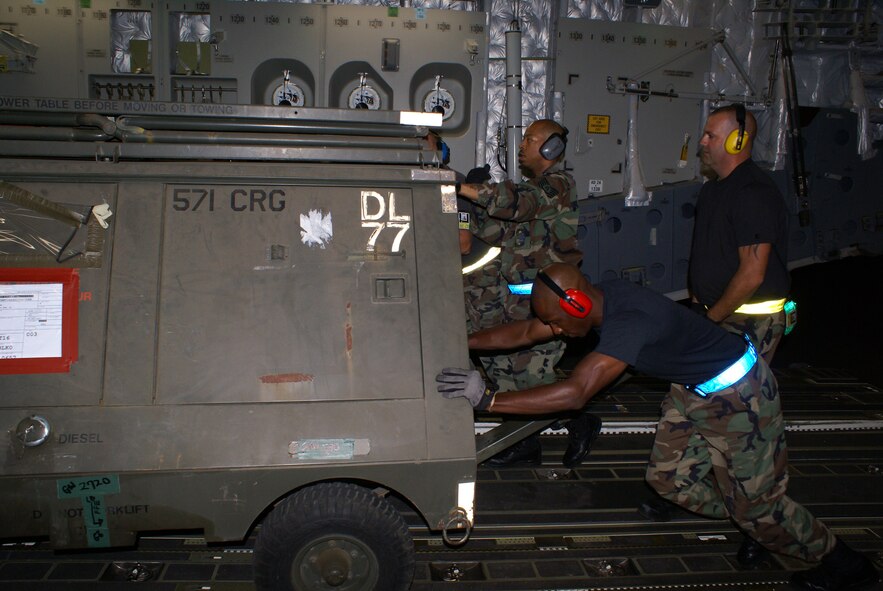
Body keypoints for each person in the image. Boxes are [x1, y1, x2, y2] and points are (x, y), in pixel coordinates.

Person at [436, 263, 880, 591]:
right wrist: (457, 342)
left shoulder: (631, 322)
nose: (552, 328)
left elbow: (575, 393)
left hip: (742, 397)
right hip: (692, 392)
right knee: (667, 480)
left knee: (761, 506)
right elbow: (527, 332)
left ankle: (846, 566)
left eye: (556, 320)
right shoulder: (597, 302)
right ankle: (754, 524)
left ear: (578, 304)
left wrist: (488, 400)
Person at [457, 119, 601, 468]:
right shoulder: (531, 189)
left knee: (533, 376)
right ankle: (525, 442)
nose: (522, 146)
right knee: (506, 372)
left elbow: (519, 204)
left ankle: (579, 419)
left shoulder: (557, 186)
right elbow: (495, 229)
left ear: (551, 148)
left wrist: (463, 187)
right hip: (518, 299)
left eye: (531, 140)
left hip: (550, 304)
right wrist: (465, 209)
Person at [690, 104, 792, 362]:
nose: (702, 142)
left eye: (710, 136)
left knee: (736, 397)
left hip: (749, 321)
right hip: (718, 316)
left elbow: (752, 274)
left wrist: (711, 319)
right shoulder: (711, 191)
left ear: (737, 141)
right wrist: (697, 301)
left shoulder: (753, 193)